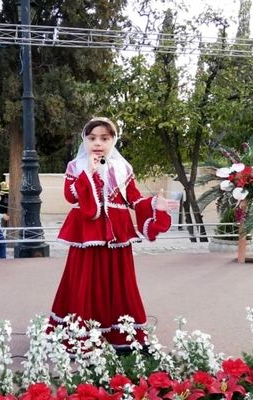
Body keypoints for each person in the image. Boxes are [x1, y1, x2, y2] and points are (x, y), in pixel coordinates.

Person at [48, 117, 176, 348]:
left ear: (113, 140)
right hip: (87, 230)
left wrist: (156, 204)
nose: (98, 143)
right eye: (92, 138)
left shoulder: (123, 168)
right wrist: (89, 172)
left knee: (119, 279)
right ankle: (82, 333)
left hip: (117, 230)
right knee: (83, 278)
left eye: (104, 138)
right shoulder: (75, 166)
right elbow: (70, 196)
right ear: (84, 141)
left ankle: (121, 333)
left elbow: (134, 198)